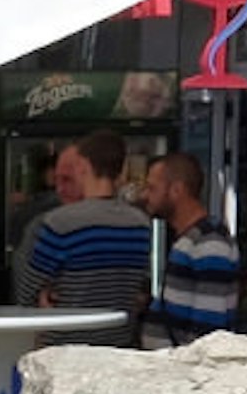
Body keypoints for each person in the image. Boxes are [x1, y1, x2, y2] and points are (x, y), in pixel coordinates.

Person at [13, 133, 162, 328]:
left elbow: (27, 293)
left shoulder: (60, 223)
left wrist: (48, 294)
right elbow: (136, 290)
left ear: (83, 166)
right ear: (122, 170)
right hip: (118, 343)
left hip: (64, 344)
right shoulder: (141, 224)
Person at [141, 152, 240, 348]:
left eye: (152, 188)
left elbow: (208, 330)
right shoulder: (190, 239)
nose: (145, 195)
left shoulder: (210, 243)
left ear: (176, 190)